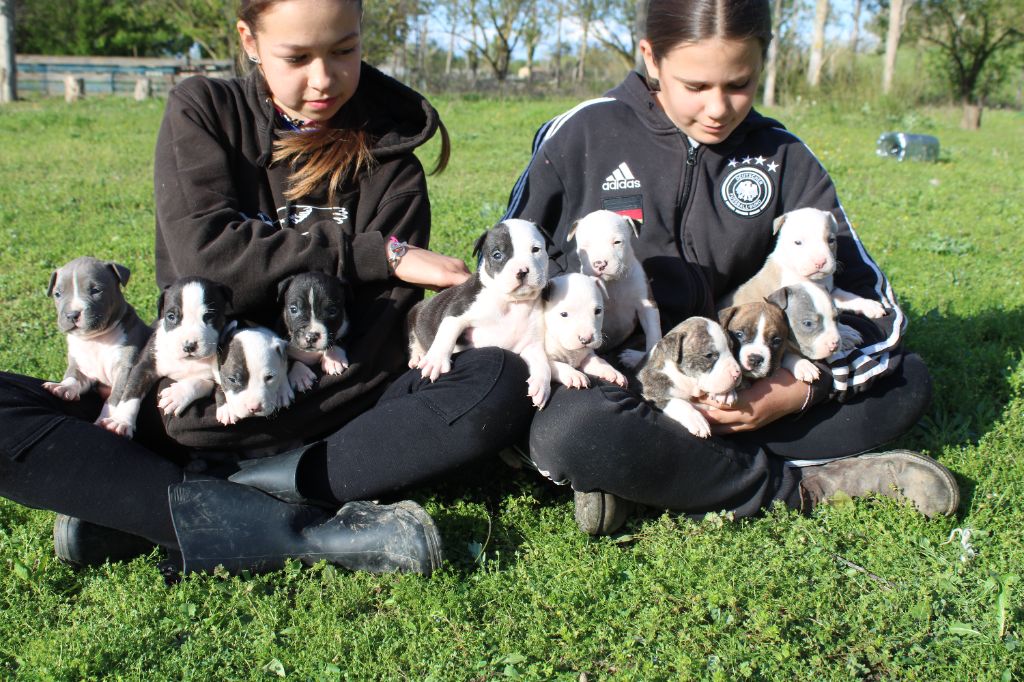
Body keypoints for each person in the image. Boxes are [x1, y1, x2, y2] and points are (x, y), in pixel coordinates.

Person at [0, 0, 537, 577]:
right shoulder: (203, 110)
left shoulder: (390, 159)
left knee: (500, 378)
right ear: (249, 41)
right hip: (193, 397)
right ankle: (300, 526)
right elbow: (207, 260)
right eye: (297, 56)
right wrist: (371, 253)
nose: (324, 78)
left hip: (336, 412)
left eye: (344, 50)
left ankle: (169, 502)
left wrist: (280, 408)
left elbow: (377, 329)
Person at [502, 0, 959, 534]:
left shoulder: (784, 155)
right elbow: (506, 272)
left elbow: (875, 307)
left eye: (739, 84)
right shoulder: (579, 134)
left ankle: (648, 476)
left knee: (907, 380)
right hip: (623, 384)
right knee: (571, 429)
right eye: (696, 86)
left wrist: (794, 394)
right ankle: (802, 486)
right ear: (651, 58)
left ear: (763, 61)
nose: (718, 107)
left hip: (752, 373)